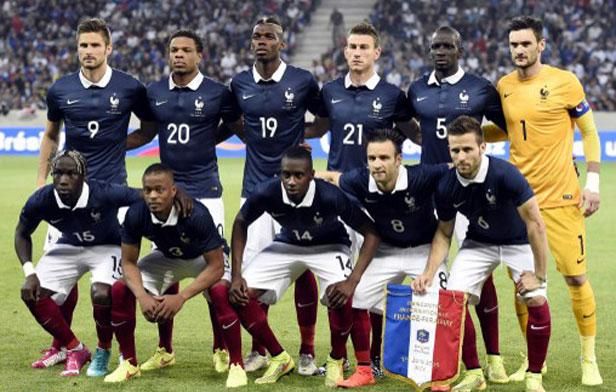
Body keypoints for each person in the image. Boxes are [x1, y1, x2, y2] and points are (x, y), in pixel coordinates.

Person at [34, 18, 155, 376]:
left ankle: (108, 350)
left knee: (109, 287)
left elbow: (149, 129)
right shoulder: (61, 89)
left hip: (112, 198)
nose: (88, 52)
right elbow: (51, 134)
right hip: (66, 198)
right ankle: (64, 345)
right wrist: (42, 179)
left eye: (94, 46)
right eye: (82, 46)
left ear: (108, 48)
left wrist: (121, 142)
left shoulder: (130, 88)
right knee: (61, 279)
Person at [492, 16, 602, 386]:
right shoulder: (504, 87)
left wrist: (594, 182)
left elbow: (588, 132)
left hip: (562, 198)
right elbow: (502, 127)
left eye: (525, 43)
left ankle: (589, 358)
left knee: (575, 276)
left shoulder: (565, 82)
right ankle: (531, 357)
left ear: (541, 45)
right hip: (519, 202)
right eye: (513, 45)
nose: (519, 50)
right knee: (522, 284)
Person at [126, 29, 243, 373]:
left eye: (186, 50)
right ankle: (165, 348)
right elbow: (147, 133)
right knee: (168, 260)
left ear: (199, 56)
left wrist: (209, 137)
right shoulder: (155, 92)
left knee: (212, 272)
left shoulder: (217, 93)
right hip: (164, 191)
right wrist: (110, 145)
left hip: (205, 191)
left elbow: (235, 127)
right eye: (174, 50)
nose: (179, 55)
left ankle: (221, 347)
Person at [305, 22, 416, 377]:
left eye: (363, 47)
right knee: (338, 279)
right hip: (337, 198)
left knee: (374, 283)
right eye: (351, 46)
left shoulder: (392, 95)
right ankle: (339, 357)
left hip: (376, 201)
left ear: (376, 52)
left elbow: (413, 137)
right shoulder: (330, 91)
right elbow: (319, 128)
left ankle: (376, 358)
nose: (356, 53)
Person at [413, 116, 552, 392]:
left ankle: (534, 376)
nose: (461, 156)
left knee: (535, 300)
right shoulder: (446, 186)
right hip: (479, 244)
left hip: (518, 241)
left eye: (467, 149)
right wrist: (429, 272)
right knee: (452, 301)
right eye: (455, 150)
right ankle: (475, 372)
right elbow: (443, 233)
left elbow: (535, 223)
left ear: (482, 147)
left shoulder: (505, 174)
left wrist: (539, 275)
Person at [229, 146, 381, 387]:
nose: (291, 181)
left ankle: (336, 359)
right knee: (239, 295)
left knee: (340, 294)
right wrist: (236, 275)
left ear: (311, 175)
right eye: (286, 175)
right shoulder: (267, 192)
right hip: (287, 244)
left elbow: (371, 233)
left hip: (330, 245)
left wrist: (352, 280)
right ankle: (280, 357)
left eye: (298, 175)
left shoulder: (331, 195)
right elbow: (240, 222)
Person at [408, 25, 509, 384]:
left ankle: (493, 357)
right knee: (434, 273)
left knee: (480, 276)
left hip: (469, 193)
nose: (440, 51)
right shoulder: (417, 88)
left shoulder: (481, 88)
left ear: (460, 49)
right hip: (426, 192)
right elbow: (406, 123)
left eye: (447, 46)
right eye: (435, 45)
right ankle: (450, 356)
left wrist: (476, 150)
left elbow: (510, 126)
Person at [229, 16, 322, 375]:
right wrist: (250, 135)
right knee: (252, 276)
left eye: (269, 36)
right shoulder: (239, 83)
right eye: (256, 36)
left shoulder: (301, 80)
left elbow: (324, 118)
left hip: (297, 192)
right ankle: (260, 350)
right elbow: (232, 119)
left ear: (281, 43)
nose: (262, 41)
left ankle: (308, 350)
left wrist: (302, 134)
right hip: (255, 192)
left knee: (303, 270)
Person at [106, 163, 246, 388]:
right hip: (166, 257)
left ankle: (235, 363)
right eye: (147, 190)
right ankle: (129, 363)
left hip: (204, 259)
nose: (152, 196)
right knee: (121, 288)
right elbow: (129, 262)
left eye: (159, 190)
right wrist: (142, 296)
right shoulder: (136, 213)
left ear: (173, 191)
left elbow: (217, 266)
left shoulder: (196, 213)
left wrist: (180, 297)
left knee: (219, 290)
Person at [15, 151, 142, 377]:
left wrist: (178, 195)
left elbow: (143, 196)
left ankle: (104, 348)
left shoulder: (103, 192)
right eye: (58, 174)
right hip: (69, 246)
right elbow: (21, 233)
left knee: (101, 293)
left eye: (71, 174)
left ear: (83, 175)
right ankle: (75, 348)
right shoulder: (42, 199)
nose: (63, 180)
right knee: (32, 293)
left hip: (108, 245)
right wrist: (29, 271)